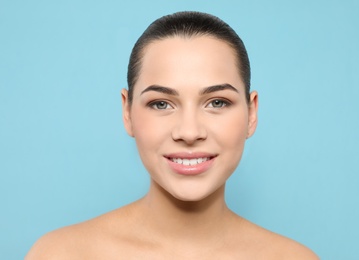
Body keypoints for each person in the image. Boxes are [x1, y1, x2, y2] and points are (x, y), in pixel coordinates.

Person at [26, 11, 318, 259]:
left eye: (217, 102)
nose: (189, 132)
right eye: (161, 104)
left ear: (251, 114)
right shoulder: (60, 254)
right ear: (127, 112)